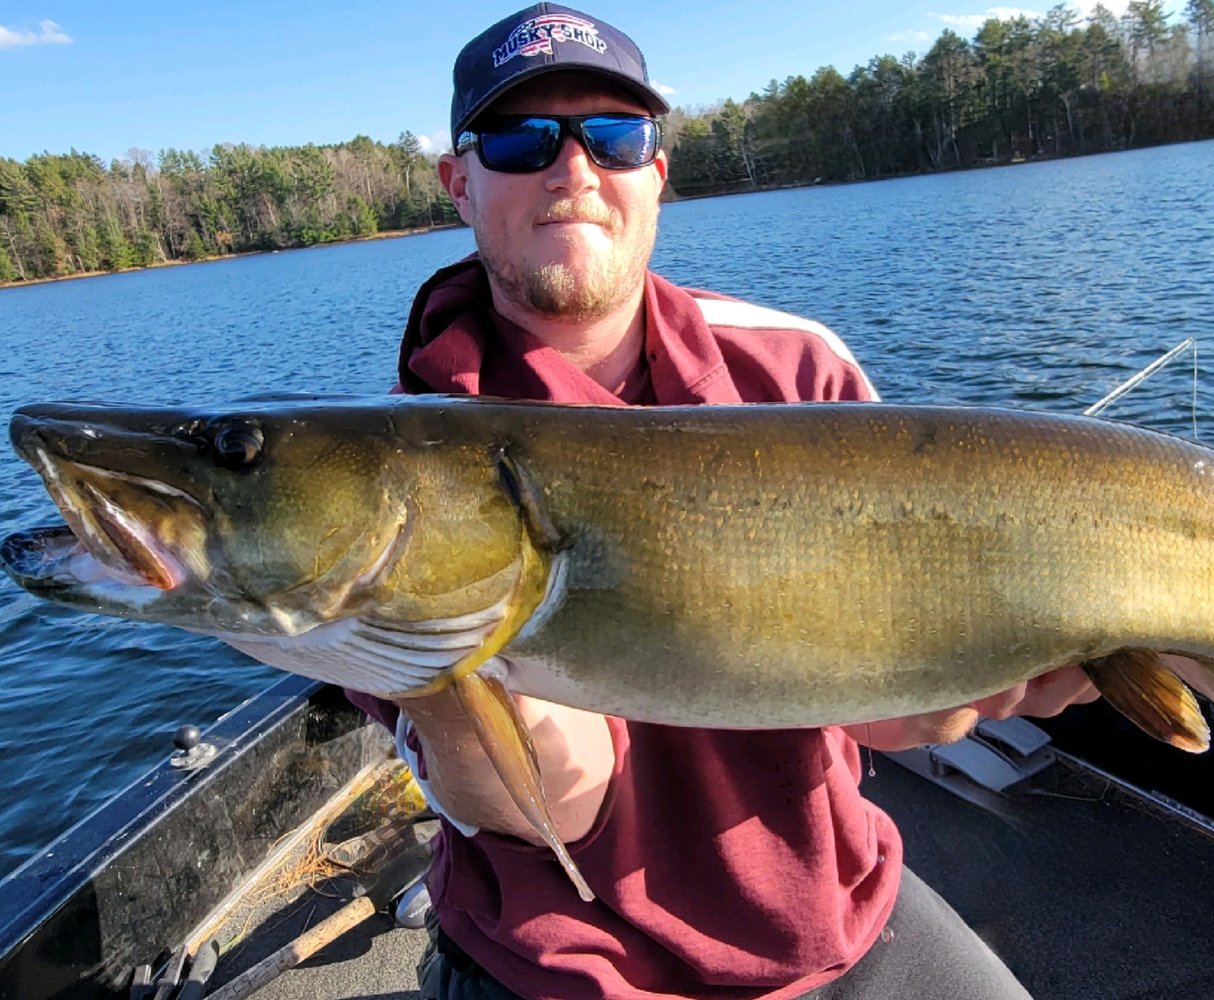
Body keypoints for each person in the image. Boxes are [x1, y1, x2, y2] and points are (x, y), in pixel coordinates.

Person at [347, 5, 1100, 998]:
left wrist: (962, 680)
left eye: (613, 138)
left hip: (839, 915)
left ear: (655, 173)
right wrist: (442, 674)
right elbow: (554, 807)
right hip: (574, 972)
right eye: (522, 140)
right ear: (460, 182)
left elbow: (878, 719)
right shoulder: (393, 469)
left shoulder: (796, 366)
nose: (573, 170)